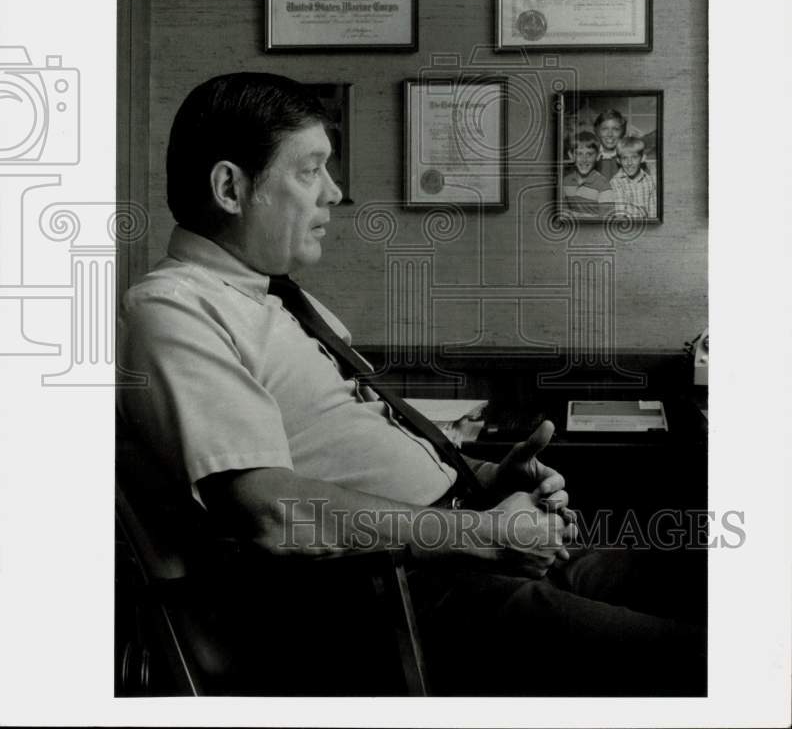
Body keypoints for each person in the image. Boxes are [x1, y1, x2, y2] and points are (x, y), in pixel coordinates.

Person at [118, 73, 704, 696]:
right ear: (231, 188)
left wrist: (485, 479)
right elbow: (272, 514)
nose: (335, 193)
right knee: (705, 665)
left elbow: (345, 450)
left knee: (708, 583)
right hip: (397, 597)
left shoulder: (276, 299)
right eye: (310, 170)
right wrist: (479, 536)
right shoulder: (173, 310)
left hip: (459, 549)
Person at [562, 131, 615, 218]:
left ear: (598, 156)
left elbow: (606, 220)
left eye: (589, 154)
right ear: (571, 155)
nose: (584, 159)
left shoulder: (603, 186)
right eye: (579, 153)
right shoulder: (565, 182)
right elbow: (563, 213)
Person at [610, 136, 658, 219]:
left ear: (643, 158)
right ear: (618, 160)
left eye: (634, 157)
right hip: (627, 227)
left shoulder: (650, 181)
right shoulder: (616, 182)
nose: (629, 163)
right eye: (625, 158)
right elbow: (620, 214)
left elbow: (653, 212)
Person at [593, 108, 628, 182]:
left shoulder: (630, 157)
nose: (610, 134)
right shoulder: (589, 157)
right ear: (597, 132)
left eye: (615, 129)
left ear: (622, 132)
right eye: (605, 129)